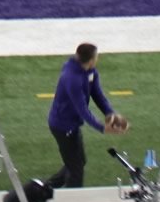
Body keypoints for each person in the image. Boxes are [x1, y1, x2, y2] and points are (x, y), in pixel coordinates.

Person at [42, 43, 123, 191]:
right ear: (91, 59)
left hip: (72, 125)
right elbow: (82, 110)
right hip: (62, 127)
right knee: (76, 171)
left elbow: (98, 95)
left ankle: (43, 188)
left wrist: (110, 114)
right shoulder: (72, 78)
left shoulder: (90, 71)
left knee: (77, 162)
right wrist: (102, 128)